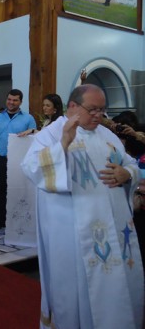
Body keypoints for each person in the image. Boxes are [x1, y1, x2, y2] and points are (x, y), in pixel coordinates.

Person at [21, 84, 143, 329]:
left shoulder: (107, 135)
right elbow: (32, 168)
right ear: (73, 107)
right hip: (73, 229)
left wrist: (126, 173)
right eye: (92, 109)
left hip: (117, 229)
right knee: (79, 287)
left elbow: (131, 164)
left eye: (102, 110)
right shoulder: (52, 134)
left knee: (117, 280)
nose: (98, 115)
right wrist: (64, 143)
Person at [0, 89, 36, 229]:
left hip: (19, 161)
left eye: (15, 100)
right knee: (1, 191)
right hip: (0, 159)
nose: (11, 102)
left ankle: (17, 222)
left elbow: (34, 139)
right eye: (9, 99)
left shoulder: (28, 118)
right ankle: (0, 220)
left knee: (18, 191)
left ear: (20, 102)